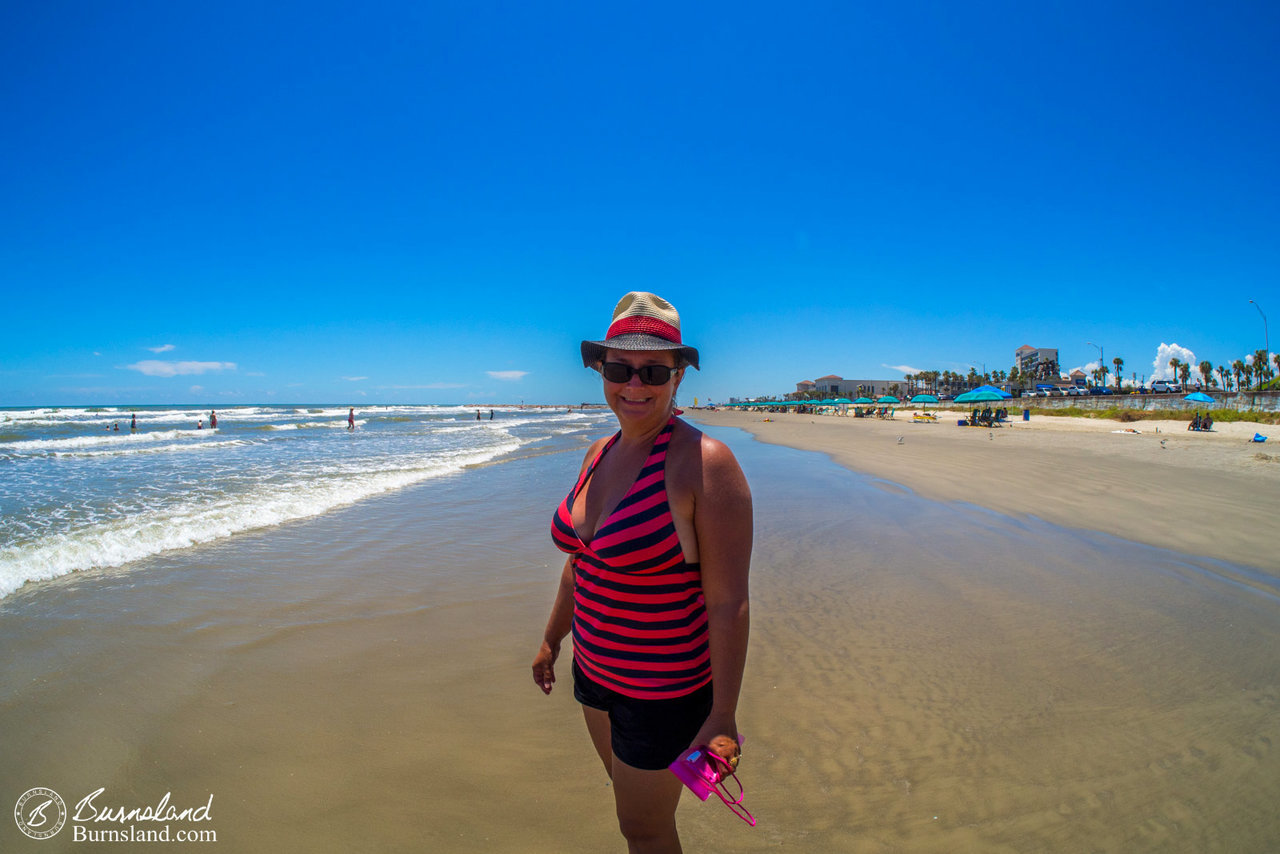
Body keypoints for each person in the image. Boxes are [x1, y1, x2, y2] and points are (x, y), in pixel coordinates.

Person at [533, 292, 752, 852]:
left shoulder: (704, 464)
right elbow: (578, 568)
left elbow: (728, 603)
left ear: (678, 375)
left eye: (653, 370)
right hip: (594, 674)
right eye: (619, 368)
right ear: (600, 370)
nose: (634, 384)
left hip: (662, 690)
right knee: (632, 808)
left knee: (643, 830)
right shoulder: (597, 453)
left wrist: (723, 716)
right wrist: (551, 640)